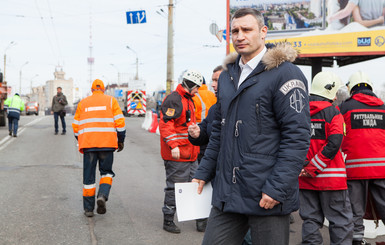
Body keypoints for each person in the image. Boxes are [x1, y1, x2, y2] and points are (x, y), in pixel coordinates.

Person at [192, 8, 311, 245]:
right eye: (235, 31)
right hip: (228, 192)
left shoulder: (285, 74)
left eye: (247, 29)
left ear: (263, 32)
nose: (239, 36)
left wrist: (276, 188)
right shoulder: (227, 76)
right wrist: (203, 173)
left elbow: (297, 137)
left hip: (267, 194)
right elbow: (219, 131)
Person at [299, 71, 353, 245]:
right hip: (332, 180)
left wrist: (306, 168)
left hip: (304, 179)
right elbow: (334, 143)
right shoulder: (334, 113)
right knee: (340, 222)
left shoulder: (298, 112)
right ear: (331, 92)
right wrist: (314, 167)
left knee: (310, 221)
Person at [339, 71, 385, 245]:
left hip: (355, 167)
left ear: (352, 88)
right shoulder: (383, 107)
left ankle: (357, 240)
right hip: (381, 167)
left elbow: (337, 134)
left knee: (354, 208)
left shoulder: (345, 107)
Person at [72, 79, 126, 217]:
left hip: (88, 145)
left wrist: (81, 139)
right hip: (107, 145)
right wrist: (120, 140)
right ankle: (102, 195)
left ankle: (89, 209)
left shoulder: (83, 103)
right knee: (106, 172)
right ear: (103, 89)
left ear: (92, 90)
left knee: (88, 176)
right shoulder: (111, 101)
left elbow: (75, 126)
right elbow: (120, 123)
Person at [159, 69, 203, 233]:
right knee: (174, 188)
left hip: (191, 153)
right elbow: (166, 124)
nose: (198, 90)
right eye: (197, 87)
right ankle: (168, 220)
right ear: (190, 85)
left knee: (196, 186)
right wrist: (174, 145)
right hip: (178, 154)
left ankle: (201, 220)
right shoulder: (175, 99)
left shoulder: (188, 99)